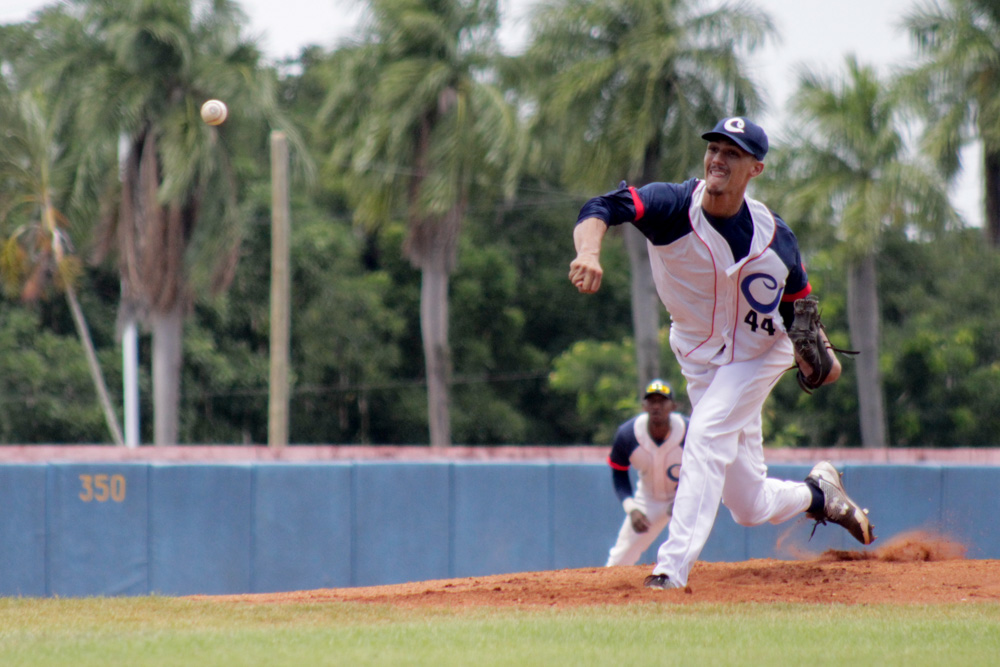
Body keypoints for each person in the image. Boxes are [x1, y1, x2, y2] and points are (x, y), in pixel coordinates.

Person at [569, 117, 875, 590]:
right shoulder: (671, 206)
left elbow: (803, 320)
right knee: (749, 506)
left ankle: (671, 572)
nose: (717, 158)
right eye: (714, 147)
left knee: (706, 433)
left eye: (732, 152)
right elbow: (601, 207)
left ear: (756, 168)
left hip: (758, 355)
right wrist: (589, 252)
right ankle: (819, 495)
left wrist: (823, 362)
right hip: (700, 362)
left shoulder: (777, 240)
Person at [606, 379, 688, 567]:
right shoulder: (628, 435)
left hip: (684, 498)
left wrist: (685, 500)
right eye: (652, 401)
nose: (656, 406)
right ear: (644, 406)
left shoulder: (689, 432)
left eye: (662, 401)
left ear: (673, 406)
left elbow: (705, 473)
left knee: (687, 552)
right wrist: (631, 508)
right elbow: (618, 473)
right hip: (648, 500)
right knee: (619, 560)